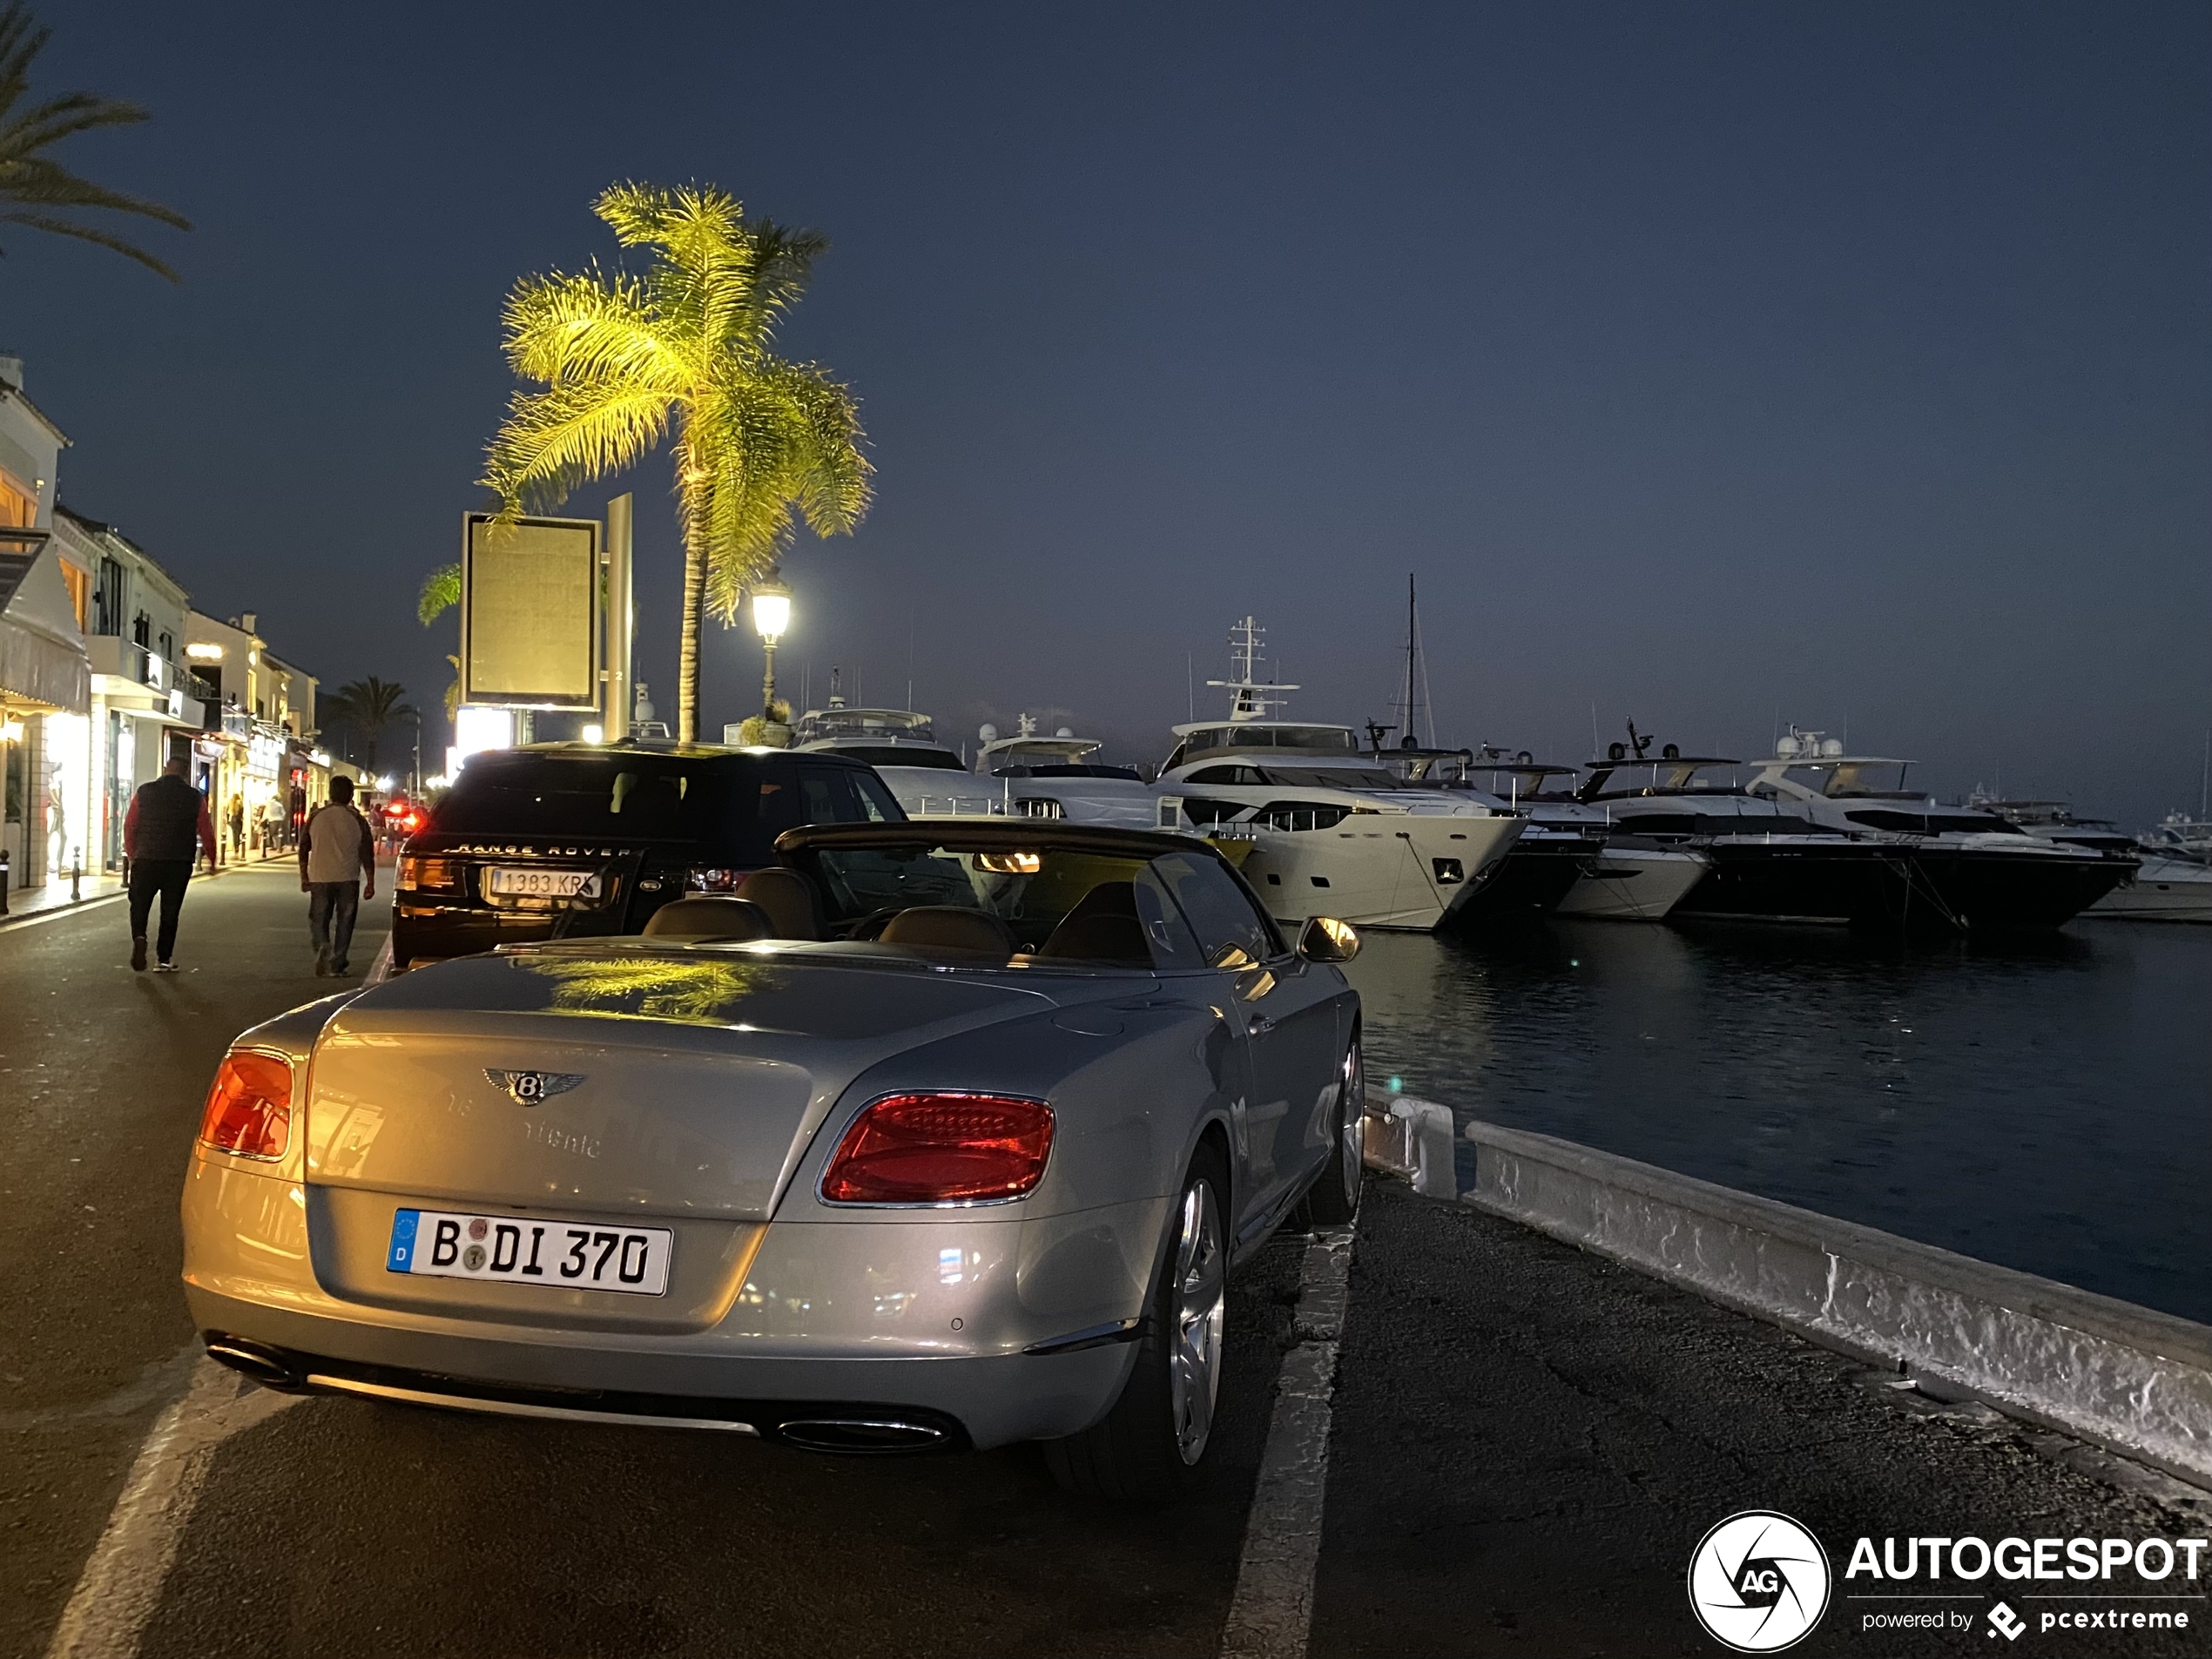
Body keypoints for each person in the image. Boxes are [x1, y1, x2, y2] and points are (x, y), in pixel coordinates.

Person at [123, 759, 217, 973]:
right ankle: (163, 959)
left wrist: (132, 854)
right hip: (178, 861)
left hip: (146, 859)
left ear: (165, 769)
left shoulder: (144, 792)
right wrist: (211, 859)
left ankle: (139, 936)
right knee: (170, 910)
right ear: (185, 774)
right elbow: (206, 829)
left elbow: (131, 825)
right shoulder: (194, 797)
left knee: (139, 904)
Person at [300, 775, 375, 976]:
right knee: (345, 921)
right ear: (351, 795)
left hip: (319, 876)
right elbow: (367, 851)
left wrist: (304, 876)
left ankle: (323, 945)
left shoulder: (316, 816)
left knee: (318, 918)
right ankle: (337, 963)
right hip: (348, 877)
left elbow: (304, 847)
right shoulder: (357, 819)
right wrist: (370, 882)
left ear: (330, 793)